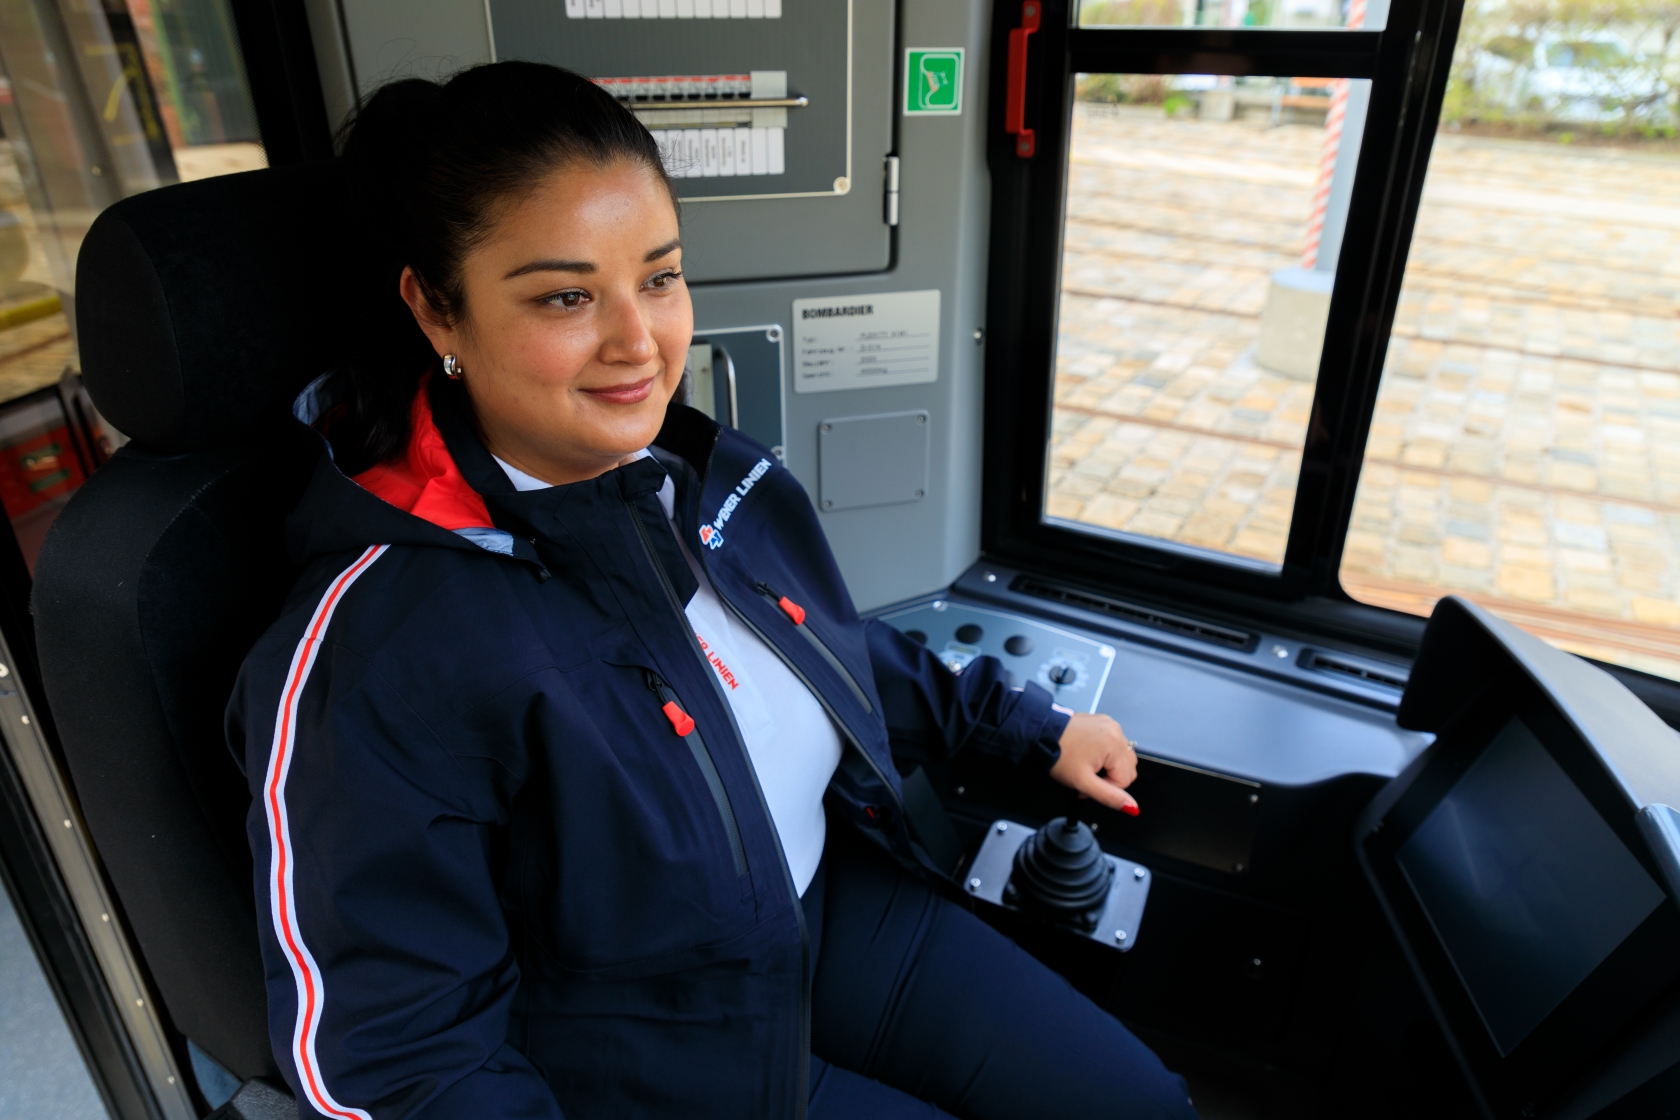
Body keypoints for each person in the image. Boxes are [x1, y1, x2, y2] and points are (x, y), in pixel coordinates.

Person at [228, 61, 1198, 1120]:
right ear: (436, 308)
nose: (639, 343)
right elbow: (401, 1054)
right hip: (652, 1053)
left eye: (659, 276)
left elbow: (808, 643)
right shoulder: (375, 653)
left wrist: (1020, 725)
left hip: (829, 911)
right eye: (565, 296)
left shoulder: (694, 475)